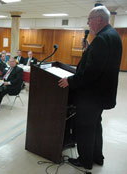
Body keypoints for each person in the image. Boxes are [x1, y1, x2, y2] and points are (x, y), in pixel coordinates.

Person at [58, 6, 122, 170]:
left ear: (99, 19)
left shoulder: (101, 39)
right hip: (102, 95)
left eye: (89, 19)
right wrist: (88, 50)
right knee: (95, 125)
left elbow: (91, 72)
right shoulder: (113, 36)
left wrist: (70, 81)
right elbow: (102, 63)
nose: (88, 23)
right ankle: (97, 157)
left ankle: (85, 161)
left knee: (85, 127)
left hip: (91, 96)